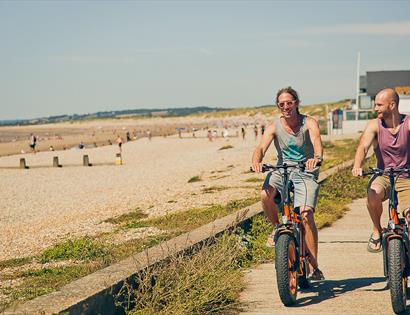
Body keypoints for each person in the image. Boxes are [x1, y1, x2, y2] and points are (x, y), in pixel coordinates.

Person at [252, 86, 324, 280]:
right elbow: (261, 147)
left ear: (297, 103)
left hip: (305, 171)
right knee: (265, 194)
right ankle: (277, 226)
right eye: (282, 104)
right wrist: (256, 161)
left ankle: (314, 265)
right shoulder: (274, 126)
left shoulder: (309, 122)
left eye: (289, 103)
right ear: (278, 106)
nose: (286, 107)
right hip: (282, 170)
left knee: (306, 215)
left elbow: (317, 141)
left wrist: (316, 158)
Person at [352, 88, 410, 253]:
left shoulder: (408, 123)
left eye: (379, 105)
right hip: (383, 175)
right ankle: (377, 229)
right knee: (372, 193)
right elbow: (363, 147)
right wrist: (357, 166)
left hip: (406, 177)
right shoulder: (374, 125)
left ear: (392, 105)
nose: (375, 108)